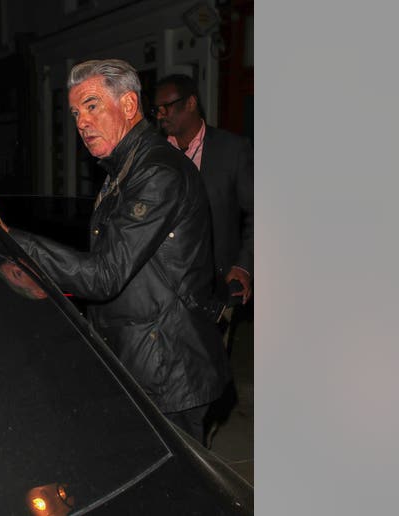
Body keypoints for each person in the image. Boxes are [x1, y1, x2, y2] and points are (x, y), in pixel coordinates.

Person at [0, 59, 228, 442]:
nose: (81, 122)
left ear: (129, 106)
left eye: (92, 105)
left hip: (167, 370)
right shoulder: (124, 169)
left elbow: (104, 275)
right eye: (76, 112)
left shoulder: (157, 172)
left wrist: (4, 232)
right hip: (141, 361)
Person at [153, 74, 254, 446]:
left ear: (192, 103)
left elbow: (257, 212)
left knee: (204, 382)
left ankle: (198, 453)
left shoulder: (231, 150)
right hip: (161, 288)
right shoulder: (153, 153)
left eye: (169, 107)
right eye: (157, 109)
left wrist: (243, 266)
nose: (161, 115)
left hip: (212, 287)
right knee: (164, 380)